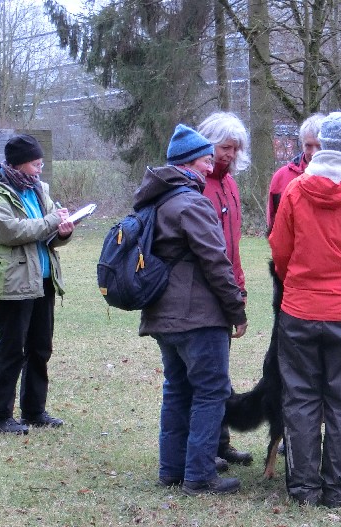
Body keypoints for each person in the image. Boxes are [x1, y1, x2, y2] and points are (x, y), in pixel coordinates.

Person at [268, 112, 341, 508]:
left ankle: (303, 487)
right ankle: (337, 488)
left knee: (300, 398)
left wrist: (300, 278)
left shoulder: (295, 191)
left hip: (299, 309)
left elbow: (280, 251)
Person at [138, 124, 248, 495]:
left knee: (177, 390)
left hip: (162, 315)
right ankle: (199, 475)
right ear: (186, 163)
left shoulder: (156, 200)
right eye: (205, 160)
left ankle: (171, 469)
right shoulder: (193, 203)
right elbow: (216, 262)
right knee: (210, 391)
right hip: (197, 316)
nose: (210, 166)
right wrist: (236, 310)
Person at [0, 134, 74, 435]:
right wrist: (52, 221)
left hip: (43, 280)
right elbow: (11, 232)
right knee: (11, 349)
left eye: (41, 163)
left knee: (40, 348)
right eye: (35, 164)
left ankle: (34, 411)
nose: (40, 169)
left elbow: (47, 235)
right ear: (18, 163)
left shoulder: (40, 191)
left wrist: (64, 231)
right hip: (11, 283)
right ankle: (0, 417)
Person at [196, 112, 254, 469]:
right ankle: (207, 447)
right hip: (205, 293)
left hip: (227, 289)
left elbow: (233, 247)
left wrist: (240, 290)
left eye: (235, 149)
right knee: (208, 376)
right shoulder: (197, 184)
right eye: (225, 148)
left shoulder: (230, 184)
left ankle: (220, 442)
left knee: (219, 372)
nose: (230, 155)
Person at [266, 113, 326, 235]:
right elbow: (273, 223)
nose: (314, 153)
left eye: (320, 147)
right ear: (302, 144)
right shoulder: (281, 177)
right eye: (308, 146)